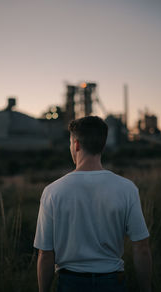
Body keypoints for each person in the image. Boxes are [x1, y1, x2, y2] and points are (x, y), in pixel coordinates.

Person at [34, 116, 152, 292]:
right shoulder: (127, 189)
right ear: (102, 145)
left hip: (70, 283)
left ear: (76, 145)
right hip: (112, 282)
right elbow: (141, 248)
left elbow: (45, 255)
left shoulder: (53, 192)